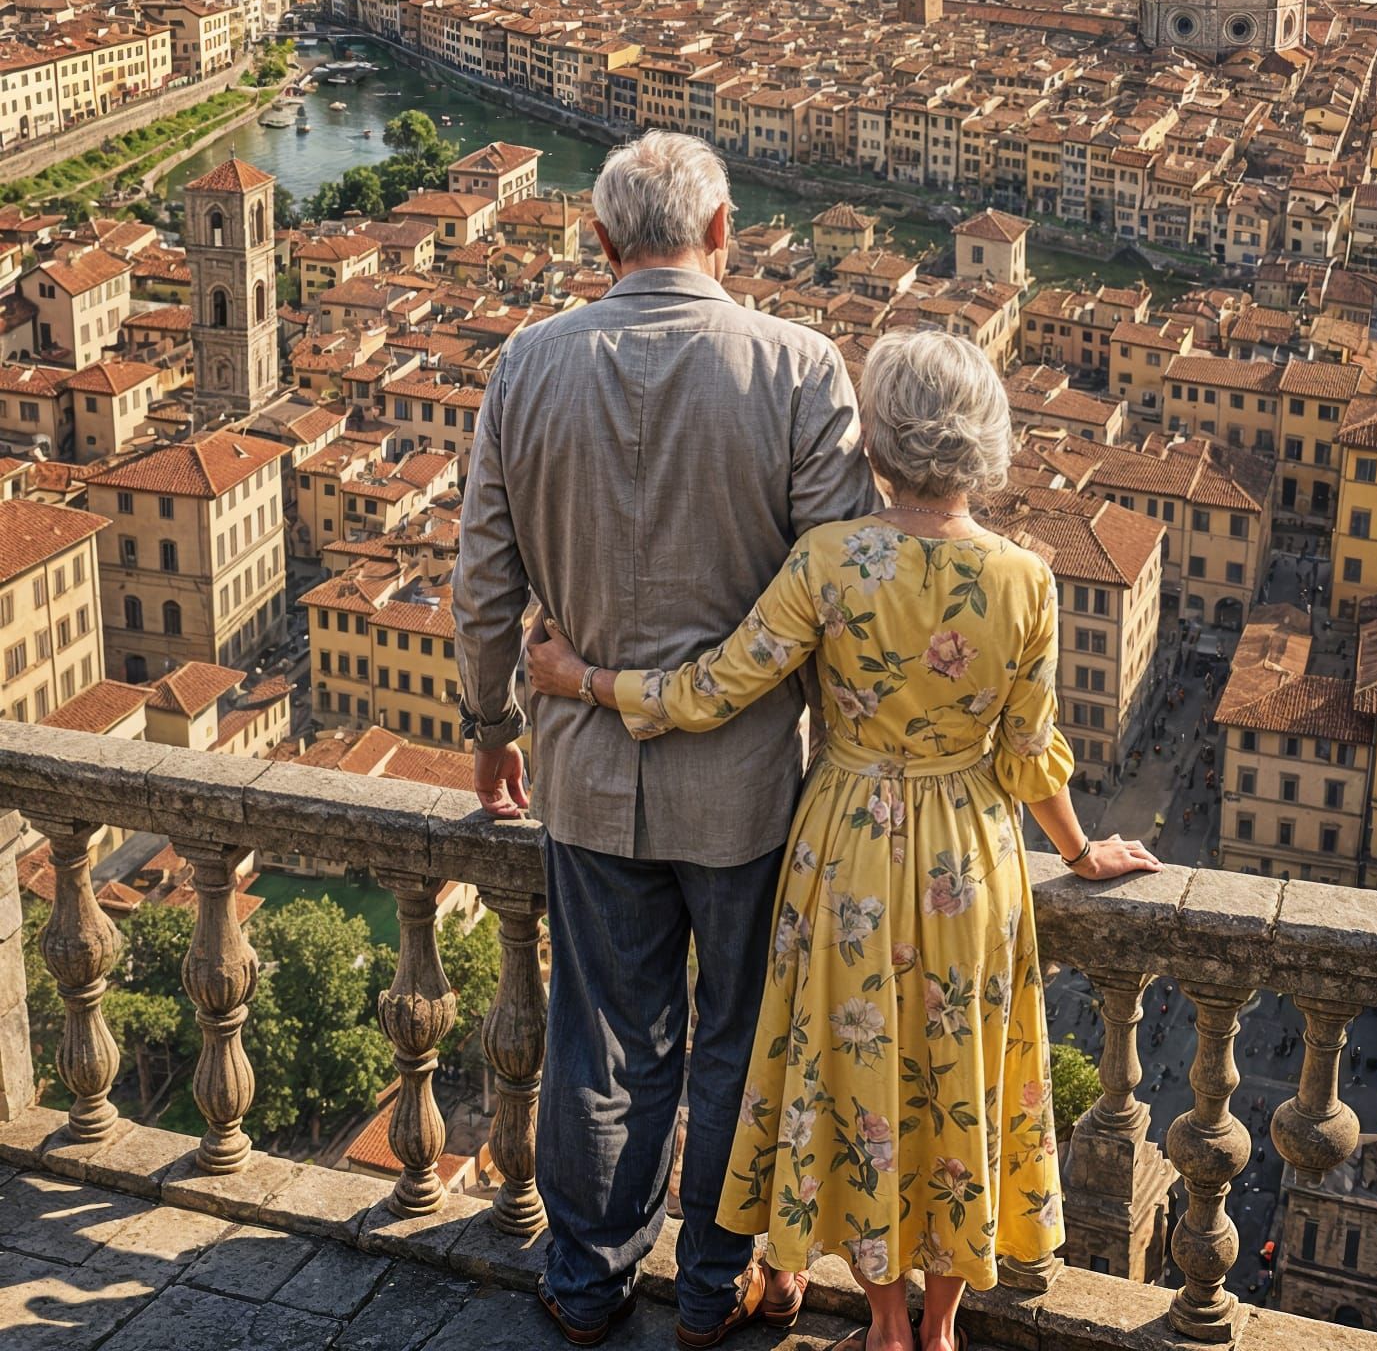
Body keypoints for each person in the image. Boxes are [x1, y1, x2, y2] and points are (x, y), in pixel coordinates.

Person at [529, 331, 1161, 1351]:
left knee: (857, 1074)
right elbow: (1029, 756)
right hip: (970, 860)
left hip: (846, 854)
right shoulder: (1025, 580)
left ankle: (885, 1322)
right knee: (958, 1077)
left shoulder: (829, 562)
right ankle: (940, 1329)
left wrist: (586, 681)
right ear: (986, 441)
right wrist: (1082, 853)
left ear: (876, 441)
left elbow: (714, 689)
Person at [453, 130, 875, 1348]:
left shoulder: (527, 365)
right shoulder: (799, 368)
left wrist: (489, 726)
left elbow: (483, 587)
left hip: (584, 777)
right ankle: (714, 1283)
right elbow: (842, 596)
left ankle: (587, 1283)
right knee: (739, 1038)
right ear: (723, 231)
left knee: (603, 1042)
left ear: (600, 240)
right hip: (748, 790)